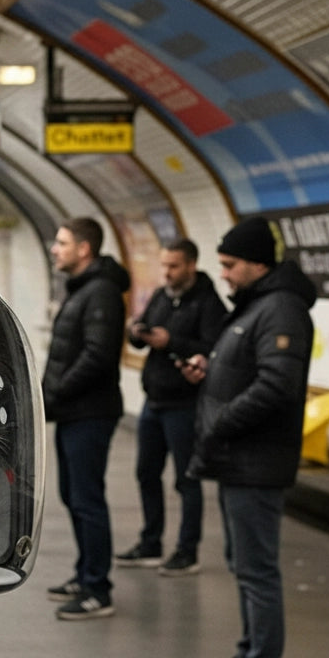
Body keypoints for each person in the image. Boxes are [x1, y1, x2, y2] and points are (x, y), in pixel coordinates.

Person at [180, 216, 315, 658]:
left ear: (258, 263)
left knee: (258, 572)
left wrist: (221, 421)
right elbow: (248, 371)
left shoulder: (279, 310)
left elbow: (277, 385)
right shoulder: (257, 306)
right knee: (243, 565)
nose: (225, 273)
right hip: (238, 459)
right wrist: (209, 371)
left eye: (231, 264)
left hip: (255, 460)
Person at [116, 239, 226, 575]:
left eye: (174, 266)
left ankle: (186, 550)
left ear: (191, 265)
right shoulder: (162, 296)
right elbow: (141, 334)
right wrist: (136, 331)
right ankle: (151, 542)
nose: (167, 272)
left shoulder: (209, 303)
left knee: (185, 479)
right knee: (146, 473)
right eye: (164, 265)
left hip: (184, 404)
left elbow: (214, 349)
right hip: (155, 399)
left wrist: (172, 342)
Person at [43, 217, 129, 620]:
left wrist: (55, 393)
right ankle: (84, 574)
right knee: (73, 496)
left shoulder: (101, 293)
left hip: (89, 412)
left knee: (88, 499)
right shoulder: (83, 290)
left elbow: (96, 355)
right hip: (73, 411)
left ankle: (98, 589)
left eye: (62, 243)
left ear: (84, 249)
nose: (55, 249)